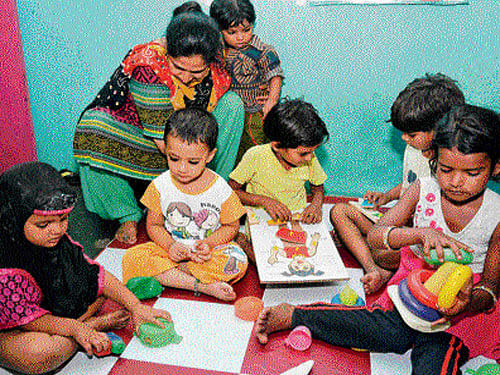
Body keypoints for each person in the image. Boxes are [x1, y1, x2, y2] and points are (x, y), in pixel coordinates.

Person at [255, 104, 500, 375]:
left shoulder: (496, 212)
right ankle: (296, 314)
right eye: (446, 169)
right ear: (435, 161)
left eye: (471, 173)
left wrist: (467, 302)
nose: (455, 181)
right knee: (379, 331)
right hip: (412, 296)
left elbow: (490, 287)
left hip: (460, 317)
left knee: (435, 359)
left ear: (495, 167)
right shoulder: (424, 188)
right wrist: (421, 234)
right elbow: (376, 236)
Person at [73, 10, 244, 245]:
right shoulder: (147, 65)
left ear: (209, 62)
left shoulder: (217, 64)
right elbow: (168, 145)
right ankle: (127, 215)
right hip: (150, 140)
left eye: (196, 72)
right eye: (178, 68)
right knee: (92, 129)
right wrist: (190, 162)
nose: (185, 78)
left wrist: (198, 167)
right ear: (168, 53)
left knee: (233, 104)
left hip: (190, 140)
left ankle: (215, 196)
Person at [0, 162, 171, 375]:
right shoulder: (6, 267)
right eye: (43, 225)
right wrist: (78, 328)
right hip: (13, 325)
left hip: (48, 309)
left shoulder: (55, 239)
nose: (56, 230)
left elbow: (95, 274)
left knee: (96, 291)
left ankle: (82, 326)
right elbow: (29, 321)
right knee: (37, 354)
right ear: (14, 220)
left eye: (62, 219)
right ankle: (92, 325)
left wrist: (135, 306)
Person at [330, 73, 465, 294]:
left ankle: (376, 261)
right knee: (339, 211)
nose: (404, 139)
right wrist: (387, 196)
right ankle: (374, 270)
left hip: (417, 236)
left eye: (411, 134)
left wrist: (395, 229)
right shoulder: (414, 147)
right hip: (395, 224)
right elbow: (409, 184)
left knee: (379, 250)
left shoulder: (448, 167)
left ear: (439, 131)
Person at [122, 108, 248, 302]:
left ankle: (173, 275)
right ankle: (202, 286)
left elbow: (231, 226)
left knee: (238, 261)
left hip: (208, 253)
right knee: (132, 258)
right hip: (171, 250)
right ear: (166, 149)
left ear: (210, 156)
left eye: (193, 162)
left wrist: (210, 244)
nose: (181, 168)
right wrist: (170, 245)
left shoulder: (220, 188)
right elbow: (153, 225)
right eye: (174, 158)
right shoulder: (160, 185)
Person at [228, 98, 329, 263]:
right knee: (267, 261)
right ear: (277, 146)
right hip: (261, 219)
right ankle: (243, 242)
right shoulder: (256, 156)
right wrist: (265, 201)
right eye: (304, 153)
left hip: (296, 220)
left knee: (305, 257)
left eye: (313, 151)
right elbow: (232, 191)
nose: (310, 157)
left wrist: (316, 205)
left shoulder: (309, 157)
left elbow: (317, 187)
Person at [210, 0, 284, 164]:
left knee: (255, 150)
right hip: (229, 114)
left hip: (255, 112)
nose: (241, 37)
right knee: (231, 152)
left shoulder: (262, 50)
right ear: (219, 30)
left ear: (253, 24)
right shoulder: (217, 51)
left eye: (246, 30)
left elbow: (275, 75)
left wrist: (272, 100)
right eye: (232, 32)